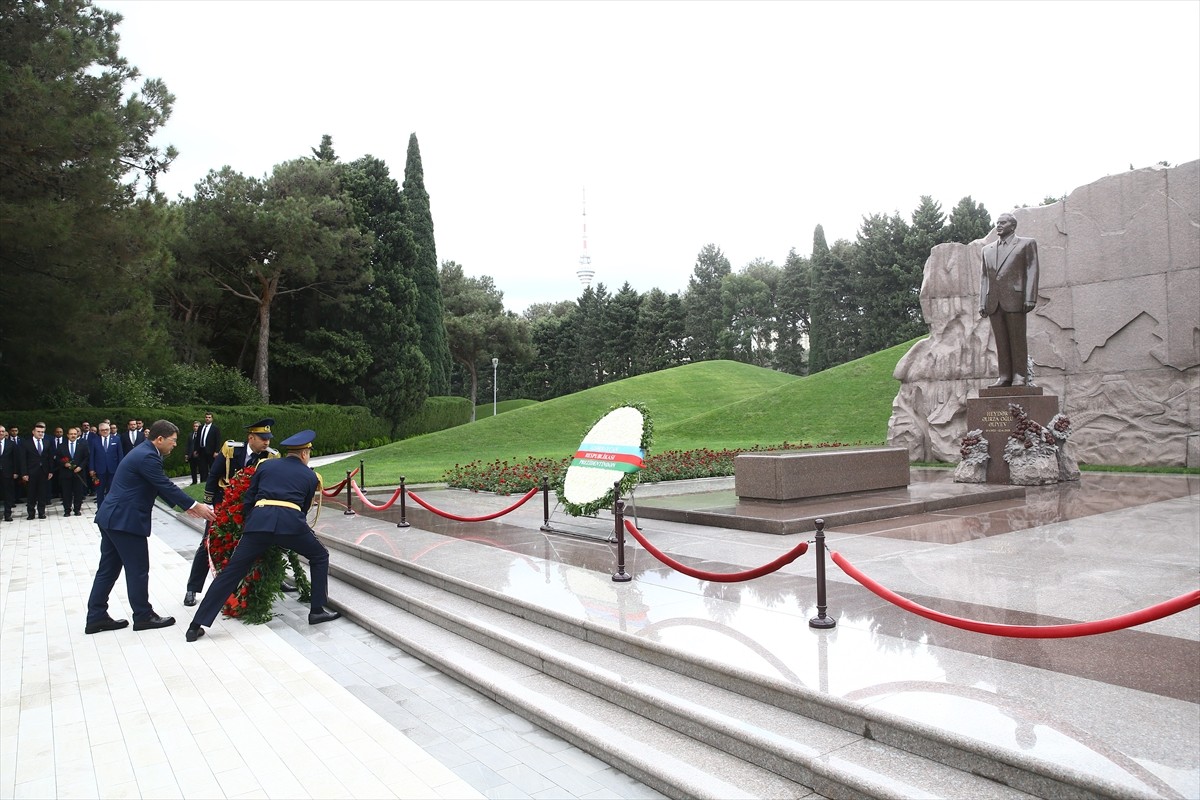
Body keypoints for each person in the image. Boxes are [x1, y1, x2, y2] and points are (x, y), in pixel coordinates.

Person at [186, 429, 339, 642]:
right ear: (305, 454)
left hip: (258, 523)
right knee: (320, 555)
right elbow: (302, 510)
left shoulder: (265, 466)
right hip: (290, 525)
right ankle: (316, 610)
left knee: (231, 572)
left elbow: (250, 498)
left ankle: (196, 625)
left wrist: (254, 524)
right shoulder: (310, 476)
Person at [84, 420, 215, 635]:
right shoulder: (148, 456)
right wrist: (194, 505)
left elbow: (156, 485)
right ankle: (143, 615)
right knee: (137, 569)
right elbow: (164, 484)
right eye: (172, 441)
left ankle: (96, 617)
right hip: (125, 521)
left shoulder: (145, 452)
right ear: (160, 439)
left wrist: (186, 508)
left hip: (112, 518)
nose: (175, 445)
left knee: (108, 569)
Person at [184, 418, 279, 606]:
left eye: (268, 438)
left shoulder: (270, 456)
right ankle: (192, 589)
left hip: (252, 507)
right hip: (223, 503)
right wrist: (209, 504)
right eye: (263, 438)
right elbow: (213, 476)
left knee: (264, 542)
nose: (267, 442)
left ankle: (271, 582)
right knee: (207, 544)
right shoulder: (231, 449)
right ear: (251, 437)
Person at [979, 212, 1040, 387]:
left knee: (1017, 339)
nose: (998, 225)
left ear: (1012, 226)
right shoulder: (987, 250)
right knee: (1001, 341)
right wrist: (982, 302)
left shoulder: (1026, 244)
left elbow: (1032, 270)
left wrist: (1030, 297)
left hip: (1016, 299)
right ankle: (1004, 376)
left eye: (1003, 223)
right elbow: (984, 278)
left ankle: (1020, 376)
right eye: (997, 223)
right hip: (993, 301)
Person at [17, 422, 55, 519]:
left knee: (42, 493)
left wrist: (51, 471)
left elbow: (50, 457)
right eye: (38, 431)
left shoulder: (47, 442)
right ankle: (31, 513)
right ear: (33, 432)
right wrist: (24, 473)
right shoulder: (26, 443)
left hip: (43, 471)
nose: (40, 433)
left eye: (42, 432)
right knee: (31, 494)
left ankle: (41, 512)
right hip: (31, 472)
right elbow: (23, 459)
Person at [88, 421, 124, 511]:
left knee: (111, 490)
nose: (105, 431)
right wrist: (91, 468)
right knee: (100, 491)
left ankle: (110, 509)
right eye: (102, 430)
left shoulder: (116, 439)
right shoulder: (94, 441)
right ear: (99, 431)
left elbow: (120, 455)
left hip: (113, 470)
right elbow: (91, 455)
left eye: (107, 429)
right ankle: (100, 509)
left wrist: (121, 469)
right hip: (100, 470)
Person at [57, 427, 89, 516]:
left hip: (78, 473)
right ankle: (67, 510)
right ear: (67, 435)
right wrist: (64, 464)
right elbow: (57, 459)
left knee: (78, 493)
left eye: (75, 434)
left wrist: (80, 467)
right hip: (65, 474)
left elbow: (86, 458)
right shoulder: (61, 446)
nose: (73, 436)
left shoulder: (82, 445)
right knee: (66, 493)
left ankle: (77, 509)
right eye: (71, 434)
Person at [196, 412, 222, 481]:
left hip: (211, 451)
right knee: (202, 468)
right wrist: (196, 450)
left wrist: (216, 451)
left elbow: (218, 440)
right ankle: (203, 481)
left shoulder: (215, 429)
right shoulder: (200, 428)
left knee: (212, 467)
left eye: (209, 417)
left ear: (212, 419)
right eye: (206, 417)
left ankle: (212, 481)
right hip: (201, 450)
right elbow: (197, 439)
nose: (207, 419)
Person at [0, 425, 15, 522]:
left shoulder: (11, 444)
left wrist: (15, 472)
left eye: (2, 431)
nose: (1, 433)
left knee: (8, 494)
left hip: (7, 473)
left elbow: (15, 459)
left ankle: (7, 514)